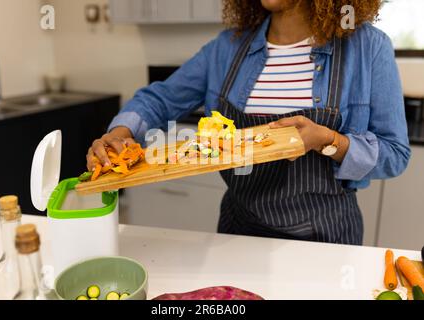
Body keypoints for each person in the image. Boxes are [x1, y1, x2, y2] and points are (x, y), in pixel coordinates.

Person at [86, 0, 410, 245]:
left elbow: (394, 153)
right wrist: (120, 132)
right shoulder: (228, 47)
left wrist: (328, 140)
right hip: (239, 228)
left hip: (326, 234)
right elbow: (159, 98)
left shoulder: (367, 47)